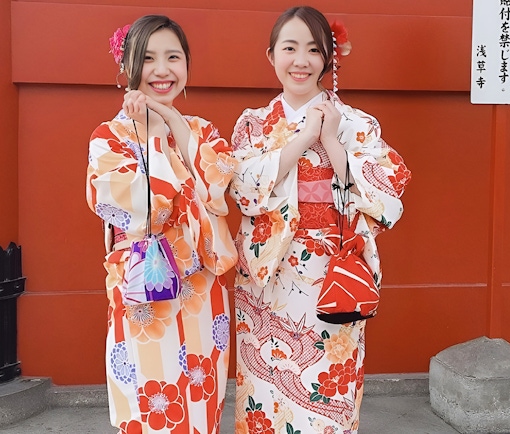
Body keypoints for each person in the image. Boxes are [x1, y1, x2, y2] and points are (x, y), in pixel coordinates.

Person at [228, 6, 411, 433]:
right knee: (264, 392)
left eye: (314, 49)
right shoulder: (253, 124)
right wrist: (305, 139)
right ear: (271, 55)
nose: (301, 60)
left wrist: (330, 139)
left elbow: (389, 193)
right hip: (267, 280)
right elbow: (241, 189)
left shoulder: (355, 124)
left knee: (330, 391)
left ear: (329, 58)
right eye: (289, 48)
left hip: (333, 274)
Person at [86, 15, 237, 434]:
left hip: (202, 289)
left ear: (186, 65)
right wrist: (154, 138)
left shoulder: (203, 131)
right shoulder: (109, 137)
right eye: (148, 58)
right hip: (144, 287)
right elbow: (139, 207)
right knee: (149, 401)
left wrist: (171, 121)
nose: (162, 69)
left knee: (202, 399)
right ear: (128, 67)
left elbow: (220, 185)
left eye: (173, 57)